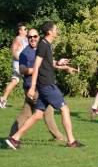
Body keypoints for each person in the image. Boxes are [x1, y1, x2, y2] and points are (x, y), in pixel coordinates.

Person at [5, 21, 83, 150]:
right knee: (64, 109)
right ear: (50, 31)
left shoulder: (45, 46)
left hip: (43, 85)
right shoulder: (41, 47)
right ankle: (71, 141)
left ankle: (14, 139)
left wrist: (64, 66)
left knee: (37, 114)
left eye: (35, 36)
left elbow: (46, 64)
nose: (57, 31)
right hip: (47, 85)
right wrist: (32, 87)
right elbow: (36, 67)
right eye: (56, 29)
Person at [0, 22, 28, 108]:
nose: (27, 30)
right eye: (25, 29)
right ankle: (29, 103)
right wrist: (22, 61)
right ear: (20, 31)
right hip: (19, 64)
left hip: (23, 63)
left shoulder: (26, 39)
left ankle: (2, 100)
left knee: (14, 81)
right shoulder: (18, 39)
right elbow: (13, 52)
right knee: (28, 80)